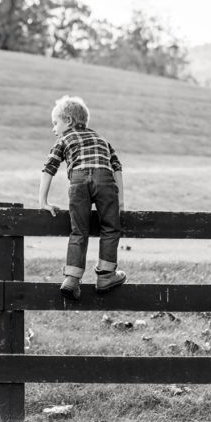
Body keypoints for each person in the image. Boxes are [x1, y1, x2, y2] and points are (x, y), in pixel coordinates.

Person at [37, 95, 126, 300]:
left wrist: (43, 201)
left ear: (68, 121)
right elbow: (117, 168)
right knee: (111, 228)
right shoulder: (102, 139)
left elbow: (49, 168)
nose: (54, 129)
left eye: (55, 123)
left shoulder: (64, 139)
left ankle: (72, 278)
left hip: (78, 182)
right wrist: (120, 201)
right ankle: (106, 275)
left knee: (79, 231)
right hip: (105, 181)